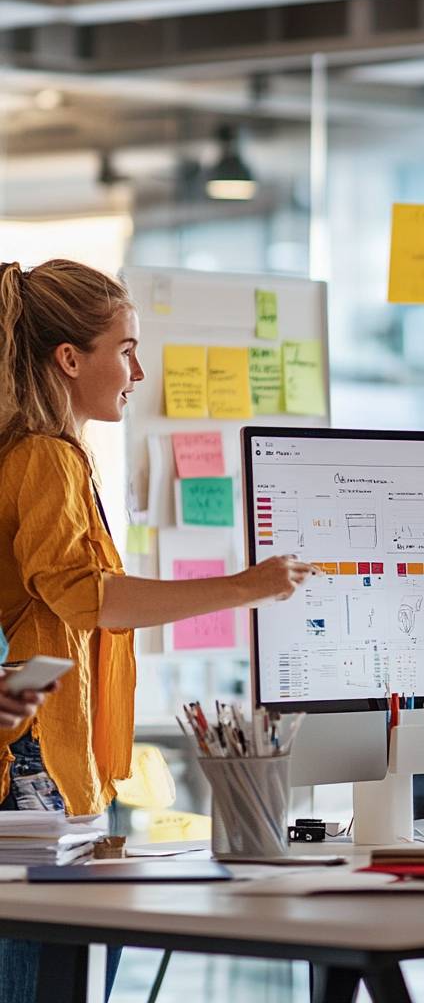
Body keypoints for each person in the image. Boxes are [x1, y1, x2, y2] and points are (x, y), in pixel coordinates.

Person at [0, 259, 316, 1003]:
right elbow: (88, 599)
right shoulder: (44, 457)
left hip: (52, 772)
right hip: (36, 777)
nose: (138, 369)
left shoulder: (44, 454)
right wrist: (245, 586)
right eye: (126, 347)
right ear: (70, 359)